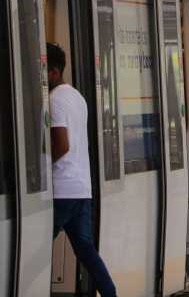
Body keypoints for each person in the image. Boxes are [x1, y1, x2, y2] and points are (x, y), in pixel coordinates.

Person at [47, 43, 117, 297]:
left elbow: (62, 145)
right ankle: (110, 294)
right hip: (81, 189)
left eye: (43, 70)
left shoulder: (54, 100)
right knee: (86, 250)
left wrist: (42, 169)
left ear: (54, 72)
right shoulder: (78, 97)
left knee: (35, 245)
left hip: (61, 189)